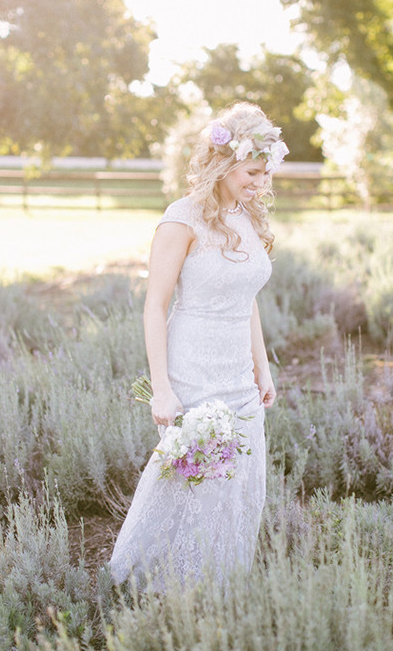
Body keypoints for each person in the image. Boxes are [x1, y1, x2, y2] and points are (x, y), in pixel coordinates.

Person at [109, 101, 289, 589]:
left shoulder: (247, 216)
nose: (261, 182)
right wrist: (162, 389)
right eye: (253, 171)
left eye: (265, 172)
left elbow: (245, 298)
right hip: (193, 371)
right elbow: (154, 306)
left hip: (239, 377)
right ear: (228, 162)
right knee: (193, 479)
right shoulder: (181, 219)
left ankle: (222, 585)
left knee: (238, 485)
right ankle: (164, 589)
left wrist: (263, 368)